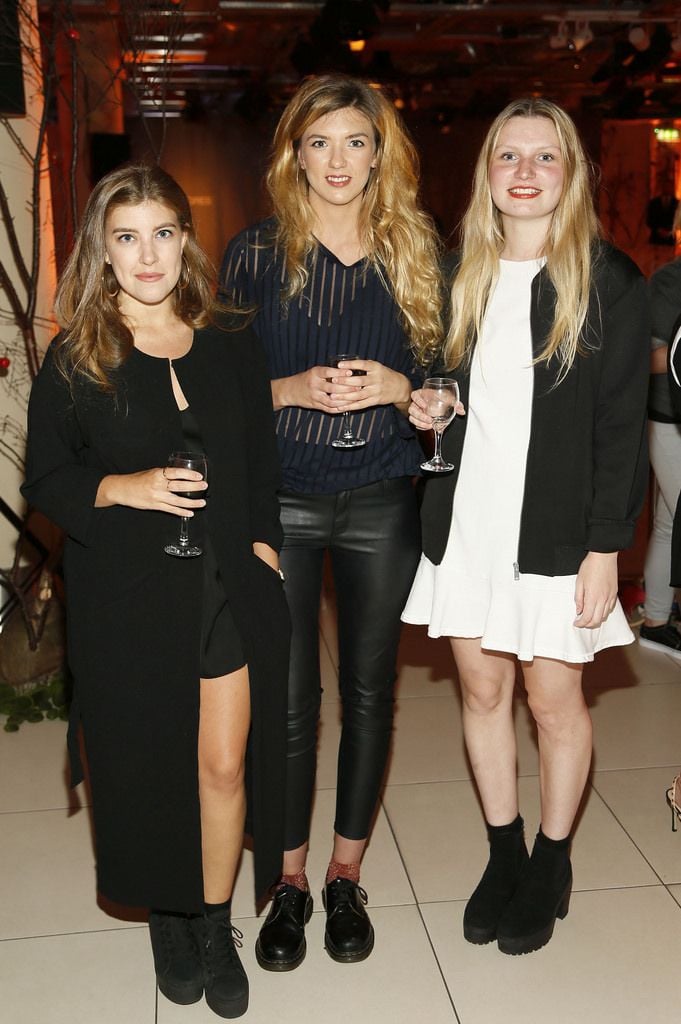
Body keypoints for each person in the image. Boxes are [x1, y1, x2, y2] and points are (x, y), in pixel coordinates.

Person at [22, 164, 290, 1018]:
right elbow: (47, 478)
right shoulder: (79, 353)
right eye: (127, 237)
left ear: (186, 239)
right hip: (128, 593)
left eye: (162, 233)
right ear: (103, 247)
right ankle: (167, 915)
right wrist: (121, 488)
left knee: (221, 763)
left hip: (225, 585)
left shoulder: (230, 337)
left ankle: (213, 921)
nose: (147, 255)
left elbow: (258, 460)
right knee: (147, 765)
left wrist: (264, 544)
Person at [402, 98, 649, 956]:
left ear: (568, 175)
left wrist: (604, 544)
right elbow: (433, 380)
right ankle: (502, 853)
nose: (524, 173)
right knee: (480, 692)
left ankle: (550, 861)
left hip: (554, 531)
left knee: (552, 701)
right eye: (508, 156)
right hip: (467, 523)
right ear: (488, 174)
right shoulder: (453, 271)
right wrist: (425, 400)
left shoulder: (606, 279)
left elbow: (622, 428)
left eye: (544, 158)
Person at [219, 74, 442, 968]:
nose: (338, 160)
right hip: (284, 500)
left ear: (379, 151)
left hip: (383, 497)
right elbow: (221, 390)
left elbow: (447, 386)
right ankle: (288, 883)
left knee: (367, 693)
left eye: (355, 141)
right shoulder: (254, 255)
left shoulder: (416, 250)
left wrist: (402, 390)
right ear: (293, 154)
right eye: (320, 142)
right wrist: (286, 389)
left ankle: (346, 874)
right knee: (286, 703)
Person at [639, 253, 681, 657]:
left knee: (670, 523)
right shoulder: (670, 281)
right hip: (669, 417)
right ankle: (655, 621)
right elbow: (645, 358)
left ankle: (656, 621)